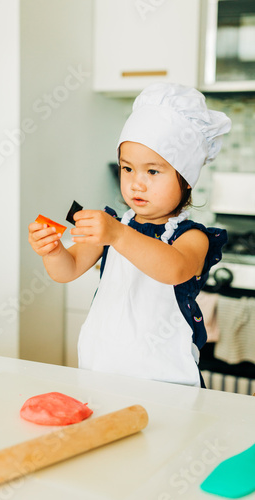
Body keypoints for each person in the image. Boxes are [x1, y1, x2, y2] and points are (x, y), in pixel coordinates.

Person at [28, 82, 231, 387]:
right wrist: (52, 251)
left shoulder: (192, 237)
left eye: (153, 171)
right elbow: (67, 270)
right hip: (102, 372)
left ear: (186, 179)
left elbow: (175, 269)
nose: (137, 183)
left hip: (167, 382)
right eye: (127, 169)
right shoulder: (113, 225)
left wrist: (119, 236)